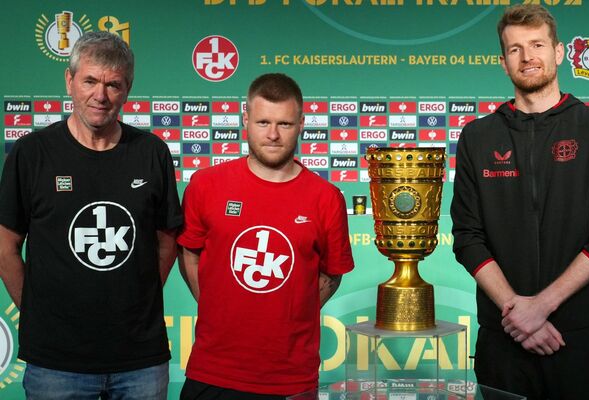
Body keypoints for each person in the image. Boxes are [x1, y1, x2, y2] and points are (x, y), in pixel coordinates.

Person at [451, 4, 589, 399]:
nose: (527, 57)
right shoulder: (478, 137)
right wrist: (517, 311)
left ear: (559, 52)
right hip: (504, 335)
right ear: (503, 62)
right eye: (515, 49)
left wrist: (541, 307)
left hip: (578, 335)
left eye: (536, 45)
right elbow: (467, 236)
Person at [0, 31, 181, 398]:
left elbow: (167, 242)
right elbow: (5, 246)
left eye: (113, 84)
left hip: (140, 359)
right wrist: (35, 311)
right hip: (55, 361)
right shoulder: (31, 153)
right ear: (69, 81)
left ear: (127, 89)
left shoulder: (151, 153)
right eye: (90, 81)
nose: (100, 96)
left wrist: (137, 301)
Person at [177, 73, 354, 399]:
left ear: (302, 123)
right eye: (262, 122)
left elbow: (332, 272)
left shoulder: (326, 198)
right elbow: (188, 251)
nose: (272, 135)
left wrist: (289, 315)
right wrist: (217, 308)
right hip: (213, 371)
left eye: (284, 124)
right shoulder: (206, 185)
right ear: (245, 119)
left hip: (290, 378)